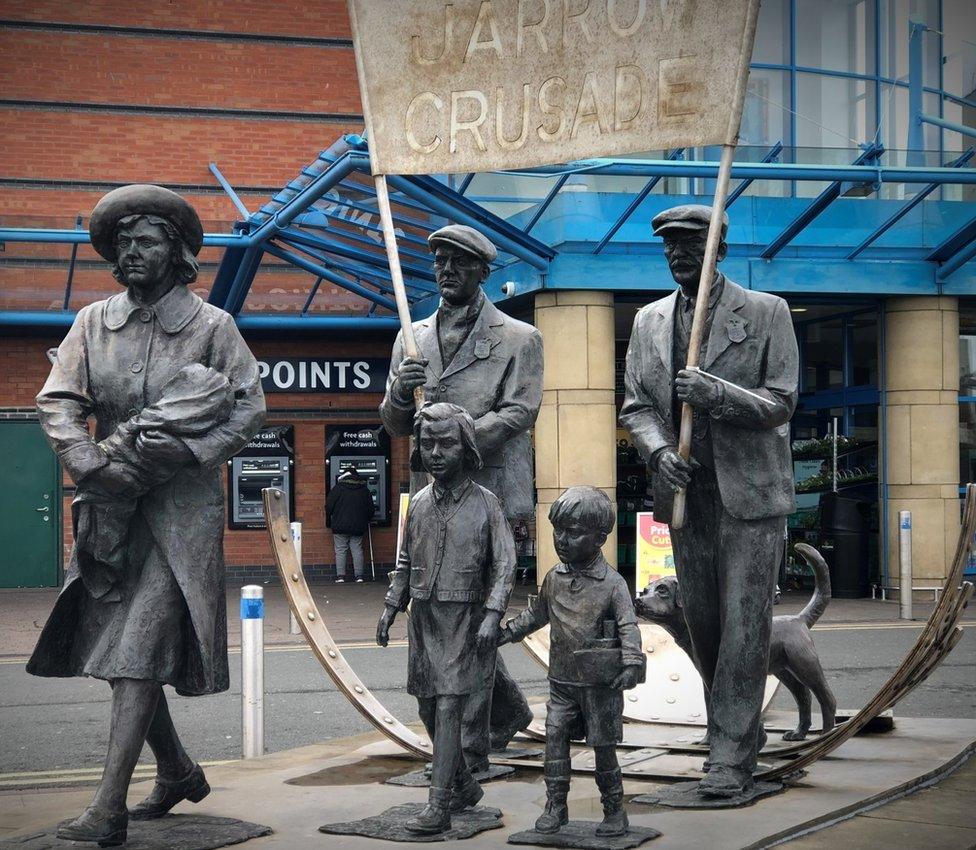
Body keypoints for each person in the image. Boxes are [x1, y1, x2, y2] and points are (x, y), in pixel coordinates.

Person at [26, 184, 266, 845]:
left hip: (180, 514)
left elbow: (250, 410)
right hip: (111, 510)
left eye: (148, 241)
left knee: (135, 654)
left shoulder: (213, 328)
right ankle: (179, 769)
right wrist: (89, 461)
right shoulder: (92, 323)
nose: (133, 251)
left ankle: (108, 810)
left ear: (177, 253)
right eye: (123, 242)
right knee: (120, 654)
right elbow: (58, 401)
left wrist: (191, 451)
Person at [619, 204, 798, 799]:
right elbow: (637, 406)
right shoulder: (648, 321)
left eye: (690, 243)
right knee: (704, 625)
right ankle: (734, 732)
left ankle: (729, 756)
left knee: (746, 624)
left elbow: (780, 402)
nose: (677, 253)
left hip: (750, 496)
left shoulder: (768, 313)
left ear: (718, 247)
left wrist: (715, 394)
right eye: (669, 245)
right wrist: (658, 449)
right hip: (687, 495)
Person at [380, 223, 539, 764]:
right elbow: (395, 423)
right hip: (431, 495)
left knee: (469, 613)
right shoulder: (410, 337)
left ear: (482, 271)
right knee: (445, 614)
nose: (446, 270)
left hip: (488, 487)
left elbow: (520, 411)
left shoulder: (518, 337)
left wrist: (454, 435)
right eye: (439, 261)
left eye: (458, 262)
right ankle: (505, 712)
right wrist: (401, 394)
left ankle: (469, 747)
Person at [376, 403, 517, 835]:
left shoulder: (486, 504)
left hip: (465, 617)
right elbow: (405, 558)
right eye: (428, 443)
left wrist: (493, 613)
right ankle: (463, 783)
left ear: (466, 447)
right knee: (425, 703)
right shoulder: (417, 503)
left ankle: (438, 805)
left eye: (447, 443)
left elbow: (505, 564)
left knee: (450, 705)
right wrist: (390, 606)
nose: (436, 452)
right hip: (424, 615)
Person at [500, 487, 645, 837]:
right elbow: (535, 615)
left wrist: (631, 664)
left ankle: (614, 810)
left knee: (604, 749)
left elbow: (629, 627)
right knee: (554, 741)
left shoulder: (612, 584)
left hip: (600, 684)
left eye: (574, 532)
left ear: (600, 538)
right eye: (558, 530)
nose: (562, 540)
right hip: (562, 682)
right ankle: (556, 806)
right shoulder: (554, 578)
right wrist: (504, 633)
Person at [326, 468, 376, 582]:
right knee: (357, 549)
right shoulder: (364, 489)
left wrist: (330, 520)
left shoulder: (338, 488)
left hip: (339, 525)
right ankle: (359, 576)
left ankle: (341, 576)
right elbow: (371, 509)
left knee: (340, 550)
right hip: (358, 525)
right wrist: (366, 519)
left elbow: (328, 506)